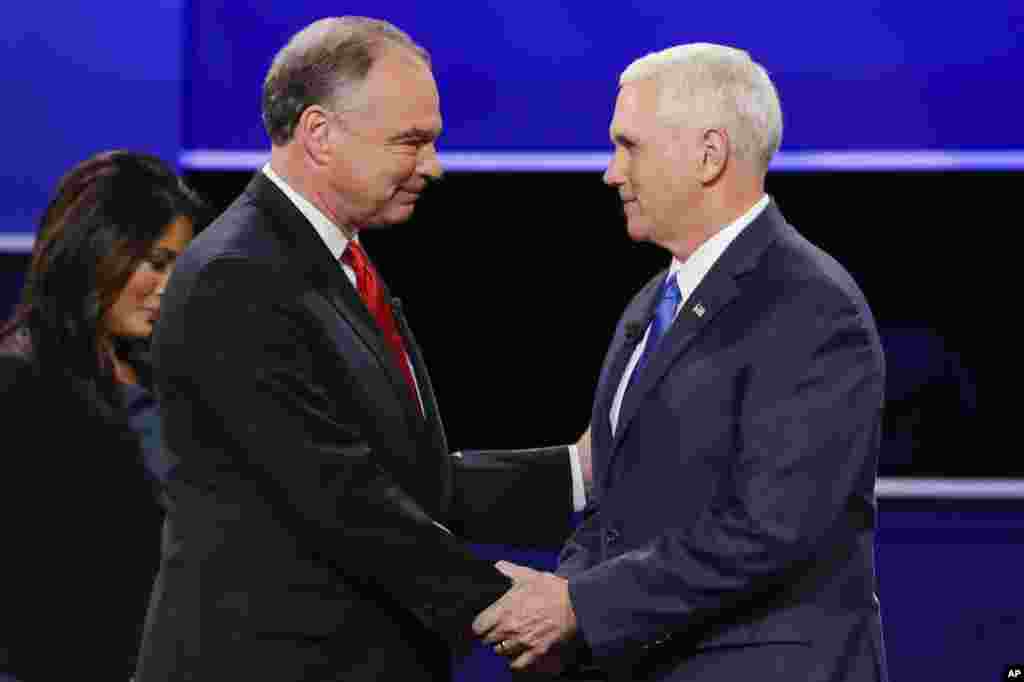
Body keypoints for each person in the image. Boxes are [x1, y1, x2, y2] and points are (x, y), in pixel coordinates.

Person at [134, 17, 588, 682]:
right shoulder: (237, 277)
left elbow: (406, 478)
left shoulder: (328, 261)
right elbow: (340, 496)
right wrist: (507, 607)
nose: (432, 167)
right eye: (412, 142)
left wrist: (576, 472)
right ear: (320, 134)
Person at [473, 43, 889, 681]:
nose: (612, 172)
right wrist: (561, 600)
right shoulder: (654, 302)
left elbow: (769, 530)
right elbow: (615, 503)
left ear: (709, 155)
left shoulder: (810, 306)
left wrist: (580, 606)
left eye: (628, 145)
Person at [0, 150, 204, 680]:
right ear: (96, 249)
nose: (170, 285)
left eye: (181, 264)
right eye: (157, 263)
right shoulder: (20, 386)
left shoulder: (168, 377)